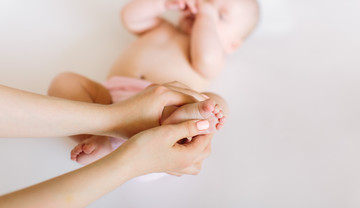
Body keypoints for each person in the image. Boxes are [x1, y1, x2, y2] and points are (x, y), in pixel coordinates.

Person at [48, 0, 259, 164]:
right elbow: (129, 16)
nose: (204, 8)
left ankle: (182, 120)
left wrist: (205, 17)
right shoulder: (162, 27)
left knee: (215, 103)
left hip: (162, 114)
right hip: (108, 102)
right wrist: (165, 2)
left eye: (220, 15)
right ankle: (98, 138)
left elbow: (206, 59)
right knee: (64, 82)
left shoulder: (211, 55)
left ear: (232, 45)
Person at [0, 83, 213, 207]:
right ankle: (104, 140)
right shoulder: (166, 25)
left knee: (213, 99)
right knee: (64, 82)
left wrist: (115, 118)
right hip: (133, 114)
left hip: (133, 108)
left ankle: (105, 135)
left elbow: (207, 59)